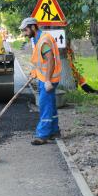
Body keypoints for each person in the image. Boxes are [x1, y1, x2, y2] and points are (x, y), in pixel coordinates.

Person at [19, 17, 62, 145]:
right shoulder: (38, 39)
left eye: (25, 30)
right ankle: (54, 131)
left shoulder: (43, 40)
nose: (24, 33)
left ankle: (42, 135)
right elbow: (41, 62)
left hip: (49, 79)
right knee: (50, 105)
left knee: (44, 106)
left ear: (33, 27)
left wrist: (48, 80)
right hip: (45, 78)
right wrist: (34, 73)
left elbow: (50, 60)